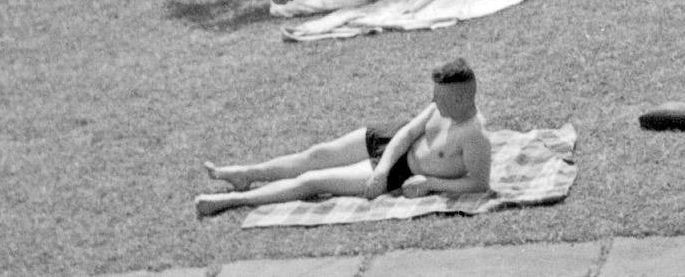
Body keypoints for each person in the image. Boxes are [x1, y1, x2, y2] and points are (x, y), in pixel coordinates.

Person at [195, 58, 492, 217]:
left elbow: (478, 184)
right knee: (316, 154)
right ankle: (247, 174)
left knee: (313, 180)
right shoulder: (439, 107)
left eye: (439, 97)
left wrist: (429, 183)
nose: (433, 100)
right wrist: (385, 166)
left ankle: (233, 201)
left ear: (462, 98)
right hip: (390, 144)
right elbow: (407, 132)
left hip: (408, 170)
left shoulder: (474, 136)